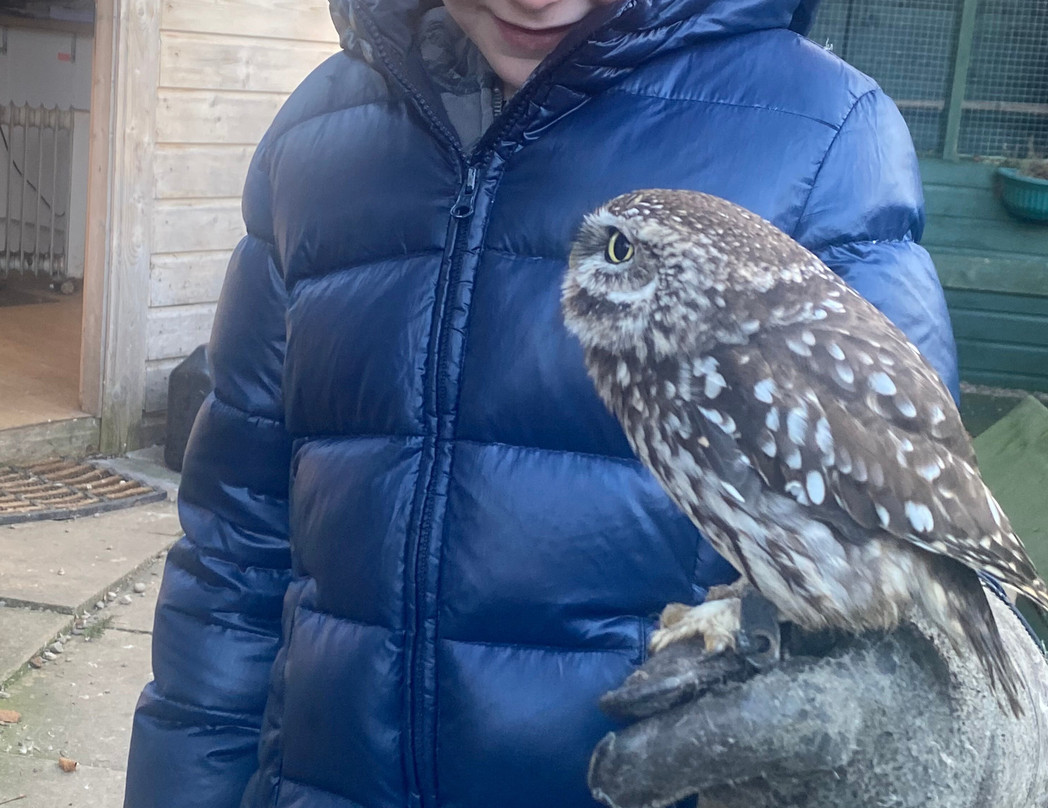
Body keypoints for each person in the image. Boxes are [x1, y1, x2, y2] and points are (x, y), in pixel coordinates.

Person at [121, 0, 985, 805]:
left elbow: (920, 533)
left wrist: (943, 739)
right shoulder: (315, 141)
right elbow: (235, 550)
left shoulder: (823, 134)